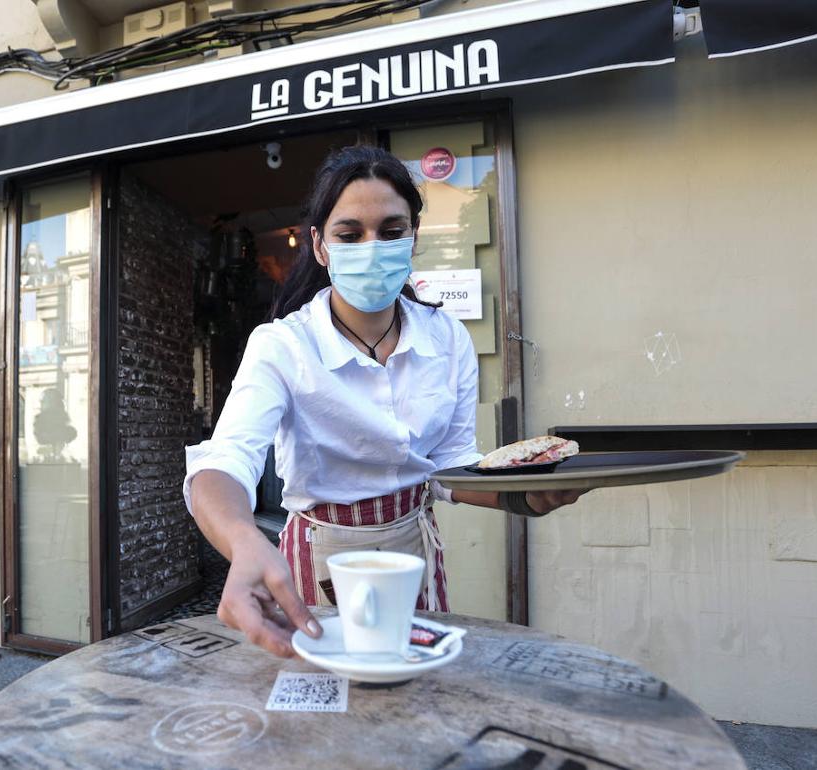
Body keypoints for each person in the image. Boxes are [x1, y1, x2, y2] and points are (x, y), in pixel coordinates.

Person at [184, 146, 584, 658]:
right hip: (319, 556)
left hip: (415, 549)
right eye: (350, 235)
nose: (372, 248)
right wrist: (244, 542)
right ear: (320, 246)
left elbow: (448, 468)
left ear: (413, 237)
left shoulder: (448, 339)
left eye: (391, 231)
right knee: (323, 704)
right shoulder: (283, 345)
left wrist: (523, 495)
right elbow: (227, 459)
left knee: (413, 692)